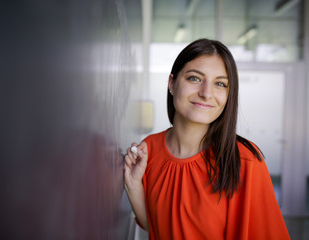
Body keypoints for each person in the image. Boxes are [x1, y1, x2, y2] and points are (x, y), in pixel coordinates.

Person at [124, 38, 290, 240]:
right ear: (172, 83)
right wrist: (133, 184)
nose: (206, 93)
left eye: (220, 84)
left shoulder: (244, 160)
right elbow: (156, 226)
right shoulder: (148, 150)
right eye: (194, 78)